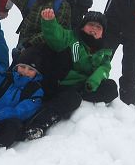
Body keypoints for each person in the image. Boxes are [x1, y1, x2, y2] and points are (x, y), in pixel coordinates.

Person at [24, 9, 118, 140]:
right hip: (62, 84)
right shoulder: (71, 38)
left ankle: (77, 96)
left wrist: (92, 83)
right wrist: (49, 23)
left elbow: (104, 69)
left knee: (111, 87)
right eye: (91, 24)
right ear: (83, 26)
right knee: (71, 98)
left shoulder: (104, 52)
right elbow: (56, 36)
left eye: (98, 27)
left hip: (84, 86)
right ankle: (37, 124)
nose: (94, 29)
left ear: (102, 33)